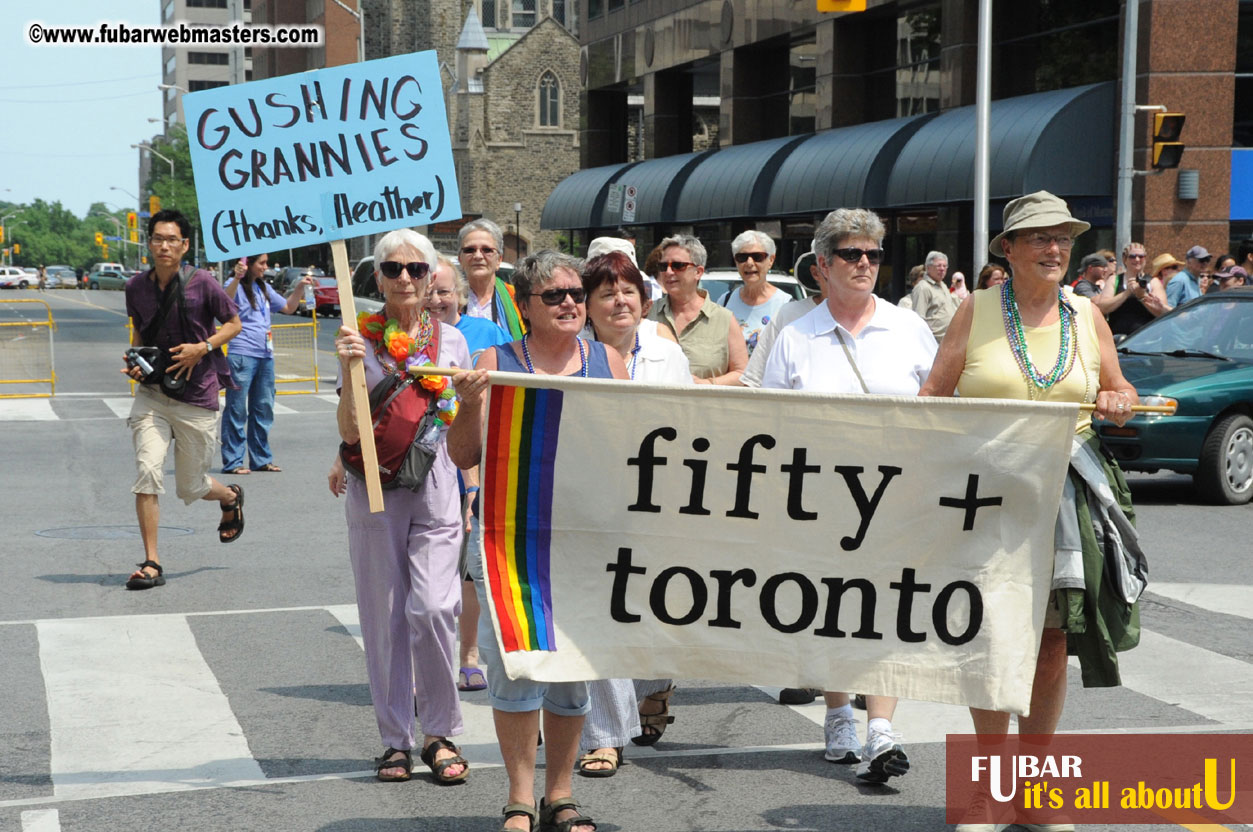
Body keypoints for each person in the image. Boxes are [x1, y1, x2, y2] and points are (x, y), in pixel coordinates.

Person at [918, 191, 1141, 832]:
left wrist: (1118, 398)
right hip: (985, 496)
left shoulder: (1087, 314)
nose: (1053, 249)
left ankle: (1036, 792)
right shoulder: (976, 309)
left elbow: (1116, 386)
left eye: (1063, 238)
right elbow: (932, 395)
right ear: (1008, 250)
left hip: (1065, 496)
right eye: (1039, 238)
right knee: (990, 639)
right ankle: (989, 793)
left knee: (1048, 644)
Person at [448, 250, 626, 832]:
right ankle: (519, 798)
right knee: (517, 673)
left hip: (583, 541)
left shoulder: (610, 362)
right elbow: (463, 455)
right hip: (508, 541)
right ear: (524, 307)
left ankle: (561, 793)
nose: (571, 302)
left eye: (577, 292)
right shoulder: (492, 361)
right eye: (554, 295)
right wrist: (471, 403)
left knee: (571, 672)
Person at [761, 209, 937, 785]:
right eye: (852, 254)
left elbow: (942, 408)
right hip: (817, 496)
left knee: (888, 607)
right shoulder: (794, 335)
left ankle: (881, 726)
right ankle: (839, 713)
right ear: (821, 267)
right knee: (832, 607)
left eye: (874, 255)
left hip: (896, 497)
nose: (865, 264)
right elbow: (769, 423)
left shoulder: (908, 328)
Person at [330, 229, 474, 786]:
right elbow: (347, 430)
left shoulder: (454, 342)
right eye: (394, 270)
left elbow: (464, 424)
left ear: (433, 274)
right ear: (378, 277)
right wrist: (347, 374)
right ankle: (396, 740)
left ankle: (440, 730)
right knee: (384, 616)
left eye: (417, 269)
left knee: (436, 608)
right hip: (375, 487)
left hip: (436, 481)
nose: (407, 279)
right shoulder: (356, 339)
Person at [574, 250, 691, 777]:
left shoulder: (667, 356)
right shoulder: (571, 356)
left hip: (661, 497)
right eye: (606, 293)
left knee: (659, 607)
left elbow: (693, 426)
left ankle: (654, 682)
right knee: (602, 609)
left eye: (628, 292)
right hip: (594, 500)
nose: (619, 302)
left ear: (644, 302)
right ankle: (606, 735)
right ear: (588, 308)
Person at [120, 209, 244, 591]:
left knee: (190, 487)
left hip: (198, 394)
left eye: (172, 239)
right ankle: (151, 562)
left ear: (184, 245)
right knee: (147, 472)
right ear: (149, 242)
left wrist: (201, 348)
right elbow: (140, 334)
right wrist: (135, 361)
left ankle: (229, 496)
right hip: (153, 395)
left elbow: (233, 323)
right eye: (157, 238)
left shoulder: (203, 282)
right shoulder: (135, 287)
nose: (164, 246)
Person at [422, 254, 511, 692]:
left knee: (471, 573)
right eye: (430, 290)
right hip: (422, 466)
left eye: (445, 291)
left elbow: (495, 407)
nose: (437, 298)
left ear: (460, 294)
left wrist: (475, 484)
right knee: (432, 577)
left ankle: (470, 653)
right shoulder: (406, 336)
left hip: (471, 462)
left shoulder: (486, 335)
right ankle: (424, 665)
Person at [219, 254, 314, 475]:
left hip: (265, 355)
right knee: (236, 410)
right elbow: (224, 304)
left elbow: (289, 307)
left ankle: (260, 459)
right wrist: (236, 278)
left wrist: (300, 287)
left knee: (263, 408)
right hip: (242, 354)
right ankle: (233, 461)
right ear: (248, 265)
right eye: (261, 263)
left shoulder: (263, 288)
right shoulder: (233, 285)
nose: (266, 267)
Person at [648, 234, 748, 385]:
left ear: (698, 272)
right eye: (663, 266)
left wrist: (707, 384)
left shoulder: (723, 319)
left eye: (677, 266)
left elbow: (743, 374)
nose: (668, 272)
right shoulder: (648, 314)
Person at [741, 249, 822, 389]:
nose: (860, 264)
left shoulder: (873, 318)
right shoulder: (788, 315)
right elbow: (753, 381)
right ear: (816, 272)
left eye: (872, 256)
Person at [717, 230, 789, 354]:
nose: (749, 263)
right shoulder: (724, 302)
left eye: (757, 257)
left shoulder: (786, 304)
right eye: (742, 258)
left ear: (771, 260)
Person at [458, 218, 526, 338]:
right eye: (470, 250)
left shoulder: (518, 298)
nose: (478, 256)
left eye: (487, 250)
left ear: (499, 260)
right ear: (460, 259)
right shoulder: (447, 300)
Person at [1099, 242, 1169, 337]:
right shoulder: (1115, 280)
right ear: (1125, 259)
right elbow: (1103, 307)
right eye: (1132, 256)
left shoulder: (1153, 282)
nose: (1137, 259)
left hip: (1147, 337)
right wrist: (1127, 292)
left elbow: (1162, 312)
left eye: (1141, 256)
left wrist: (1142, 296)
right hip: (1118, 338)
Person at [909, 250, 957, 340]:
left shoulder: (943, 285)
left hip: (948, 341)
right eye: (938, 265)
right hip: (933, 342)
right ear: (928, 268)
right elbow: (918, 319)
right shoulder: (923, 287)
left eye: (945, 266)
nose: (942, 269)